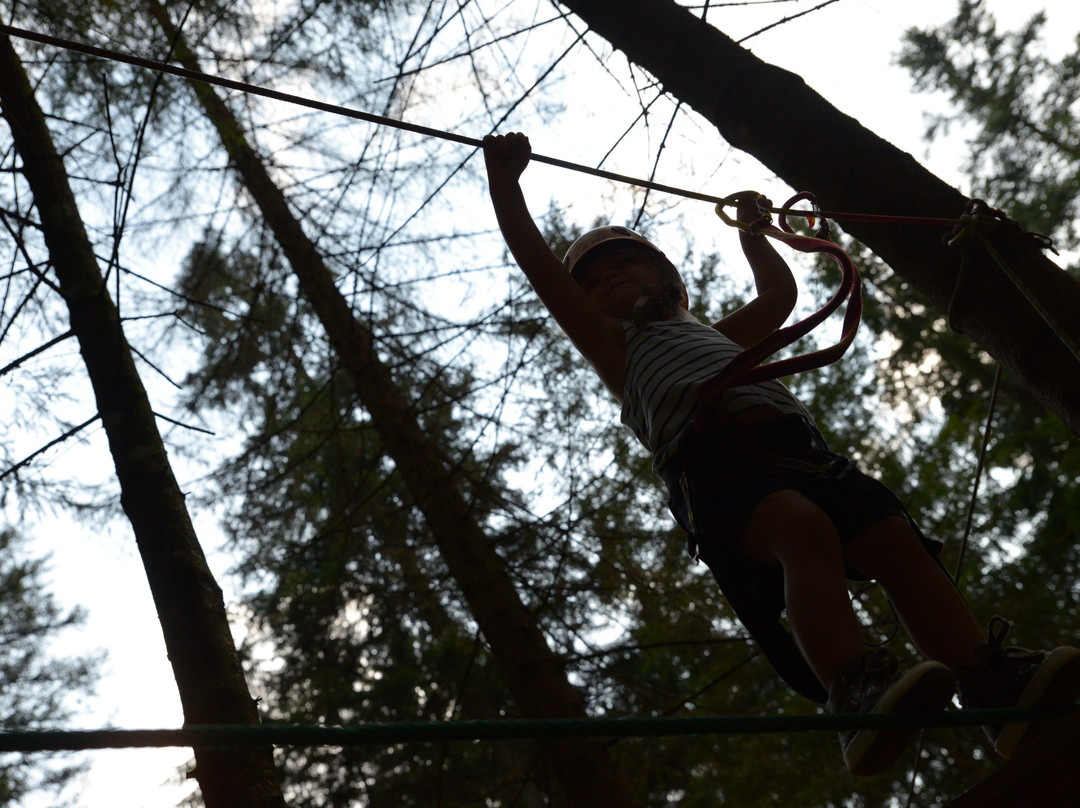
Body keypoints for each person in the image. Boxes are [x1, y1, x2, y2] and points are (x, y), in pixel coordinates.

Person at [482, 131, 1080, 776]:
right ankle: (855, 689)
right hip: (712, 465)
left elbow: (778, 301)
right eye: (593, 281)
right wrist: (506, 185)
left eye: (622, 265)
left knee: (892, 539)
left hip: (797, 451)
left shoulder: (714, 332)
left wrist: (754, 235)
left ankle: (989, 682)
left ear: (665, 277)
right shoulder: (612, 347)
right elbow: (541, 269)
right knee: (801, 530)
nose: (608, 280)